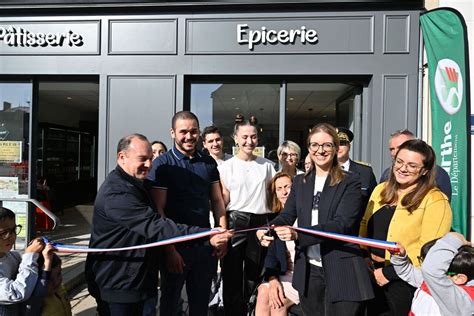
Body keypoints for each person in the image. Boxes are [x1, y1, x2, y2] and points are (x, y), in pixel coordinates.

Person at [85, 133, 231, 316]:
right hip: (119, 285)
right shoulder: (117, 193)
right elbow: (156, 226)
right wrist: (207, 235)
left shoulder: (138, 184)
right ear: (122, 157)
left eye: (150, 158)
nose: (148, 165)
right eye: (142, 159)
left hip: (140, 279)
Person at [257, 123, 374, 316]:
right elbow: (287, 215)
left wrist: (298, 234)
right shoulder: (300, 182)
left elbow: (342, 223)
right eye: (315, 145)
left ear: (336, 148)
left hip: (341, 269)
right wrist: (267, 229)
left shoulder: (350, 181)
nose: (321, 150)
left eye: (327, 145)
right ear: (309, 148)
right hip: (309, 272)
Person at [147, 111, 228, 316]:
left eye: (193, 131)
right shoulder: (163, 165)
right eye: (183, 132)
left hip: (205, 245)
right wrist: (170, 250)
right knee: (171, 304)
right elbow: (159, 210)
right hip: (176, 248)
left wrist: (222, 233)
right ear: (172, 133)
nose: (189, 136)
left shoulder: (208, 162)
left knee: (200, 304)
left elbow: (217, 200)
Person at [359, 139, 452, 316]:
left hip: (404, 282)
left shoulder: (435, 200)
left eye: (411, 165)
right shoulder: (380, 190)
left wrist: (389, 273)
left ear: (424, 170)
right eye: (399, 162)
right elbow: (364, 225)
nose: (402, 168)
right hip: (370, 274)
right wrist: (364, 256)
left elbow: (430, 250)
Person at [218, 119, 276, 316]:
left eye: (253, 137)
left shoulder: (268, 166)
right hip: (236, 221)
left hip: (260, 224)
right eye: (244, 137)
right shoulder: (226, 167)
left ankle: (250, 312)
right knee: (232, 275)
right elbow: (222, 201)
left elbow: (273, 196)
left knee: (254, 275)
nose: (249, 141)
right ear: (235, 139)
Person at [256, 172, 299, 316]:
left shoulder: (306, 216)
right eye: (279, 189)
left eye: (287, 187)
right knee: (263, 291)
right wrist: (273, 279)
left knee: (277, 303)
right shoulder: (274, 220)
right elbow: (271, 257)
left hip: (302, 276)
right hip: (282, 274)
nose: (284, 192)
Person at [379, 129, 452, 201]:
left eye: (401, 147)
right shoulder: (387, 175)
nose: (395, 152)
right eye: (392, 149)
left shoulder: (438, 174)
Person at [0, 206, 46, 315]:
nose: (11, 237)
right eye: (3, 233)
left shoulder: (11, 256)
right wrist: (30, 256)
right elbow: (17, 293)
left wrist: (35, 252)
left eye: (13, 230)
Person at [421, 232, 474, 316]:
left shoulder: (459, 301)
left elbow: (432, 271)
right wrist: (400, 258)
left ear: (459, 278)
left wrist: (454, 239)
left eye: (443, 271)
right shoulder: (439, 283)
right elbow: (412, 274)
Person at [336, 127, 376, 211]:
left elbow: (373, 202)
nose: (338, 147)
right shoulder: (323, 172)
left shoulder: (365, 172)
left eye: (342, 143)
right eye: (334, 144)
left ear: (349, 146)